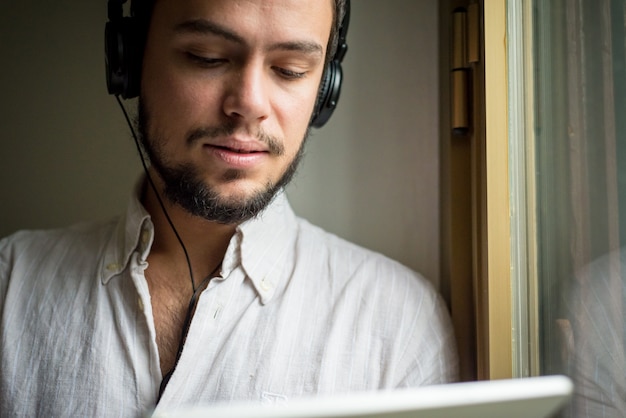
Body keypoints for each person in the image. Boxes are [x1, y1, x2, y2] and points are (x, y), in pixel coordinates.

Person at [0, 0, 458, 416]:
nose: (249, 105)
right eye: (207, 58)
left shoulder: (398, 324)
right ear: (129, 60)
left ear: (325, 90)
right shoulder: (9, 286)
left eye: (291, 69)